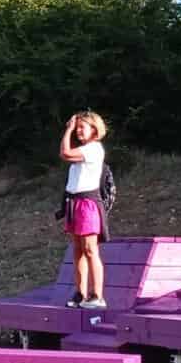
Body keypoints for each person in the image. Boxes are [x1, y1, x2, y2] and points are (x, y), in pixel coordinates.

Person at [56, 111, 109, 310]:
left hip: (88, 203)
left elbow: (65, 153)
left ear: (94, 129)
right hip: (75, 203)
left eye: (82, 127)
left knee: (90, 249)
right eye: (76, 127)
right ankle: (81, 294)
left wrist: (68, 129)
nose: (78, 130)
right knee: (77, 250)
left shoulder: (94, 148)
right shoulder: (84, 150)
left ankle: (97, 296)